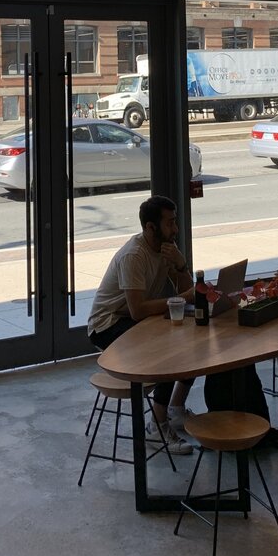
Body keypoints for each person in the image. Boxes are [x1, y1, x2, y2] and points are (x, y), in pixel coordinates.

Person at [86, 195, 195, 455]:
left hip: (134, 319)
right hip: (108, 324)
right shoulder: (134, 255)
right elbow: (137, 311)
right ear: (150, 227)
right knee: (167, 352)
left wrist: (181, 264)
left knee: (192, 339)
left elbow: (187, 289)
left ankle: (175, 409)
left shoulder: (166, 249)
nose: (175, 229)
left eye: (175, 222)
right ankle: (156, 426)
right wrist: (180, 299)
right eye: (170, 223)